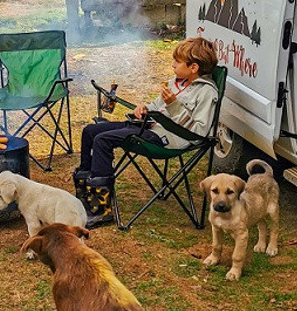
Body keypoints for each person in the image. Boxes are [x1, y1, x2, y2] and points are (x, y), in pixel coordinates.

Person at [73, 37, 219, 227]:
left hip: (168, 139)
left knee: (102, 140)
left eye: (177, 61)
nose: (173, 65)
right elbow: (155, 106)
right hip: (148, 127)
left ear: (194, 68)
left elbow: (199, 131)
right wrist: (142, 108)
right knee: (90, 131)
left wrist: (174, 106)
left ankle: (100, 209)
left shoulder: (207, 93)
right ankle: (85, 195)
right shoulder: (177, 82)